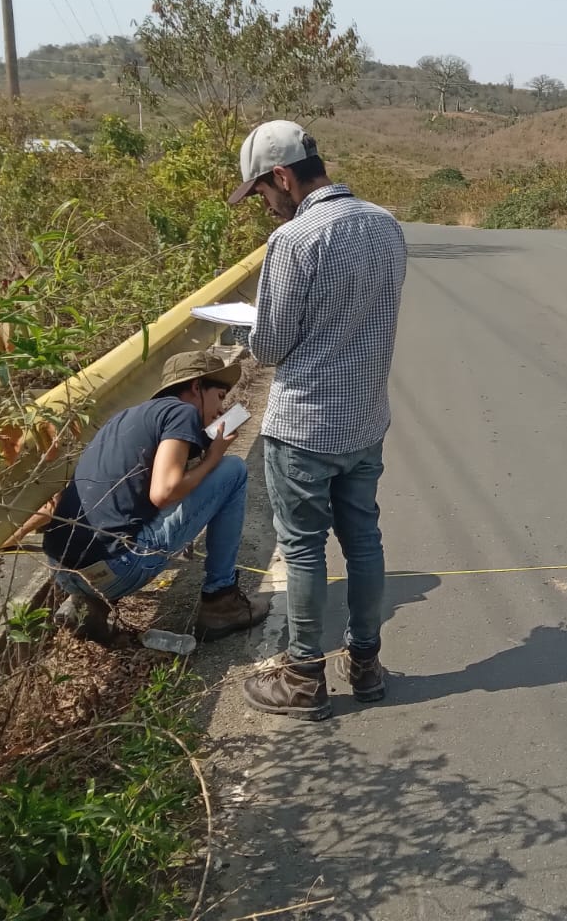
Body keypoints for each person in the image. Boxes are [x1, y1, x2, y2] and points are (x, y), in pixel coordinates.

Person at [229, 120, 407, 721]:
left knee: (303, 548)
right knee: (364, 540)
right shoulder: (385, 224)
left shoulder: (293, 240)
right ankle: (367, 664)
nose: (264, 204)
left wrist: (248, 329)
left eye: (262, 191)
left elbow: (270, 346)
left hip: (305, 425)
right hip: (365, 418)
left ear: (282, 176)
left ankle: (304, 676)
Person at [40, 349, 270, 644]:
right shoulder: (182, 412)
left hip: (63, 572)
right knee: (233, 469)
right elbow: (164, 492)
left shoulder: (122, 419)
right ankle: (221, 601)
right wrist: (214, 457)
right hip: (118, 569)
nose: (221, 410)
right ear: (197, 386)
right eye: (220, 397)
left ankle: (86, 607)